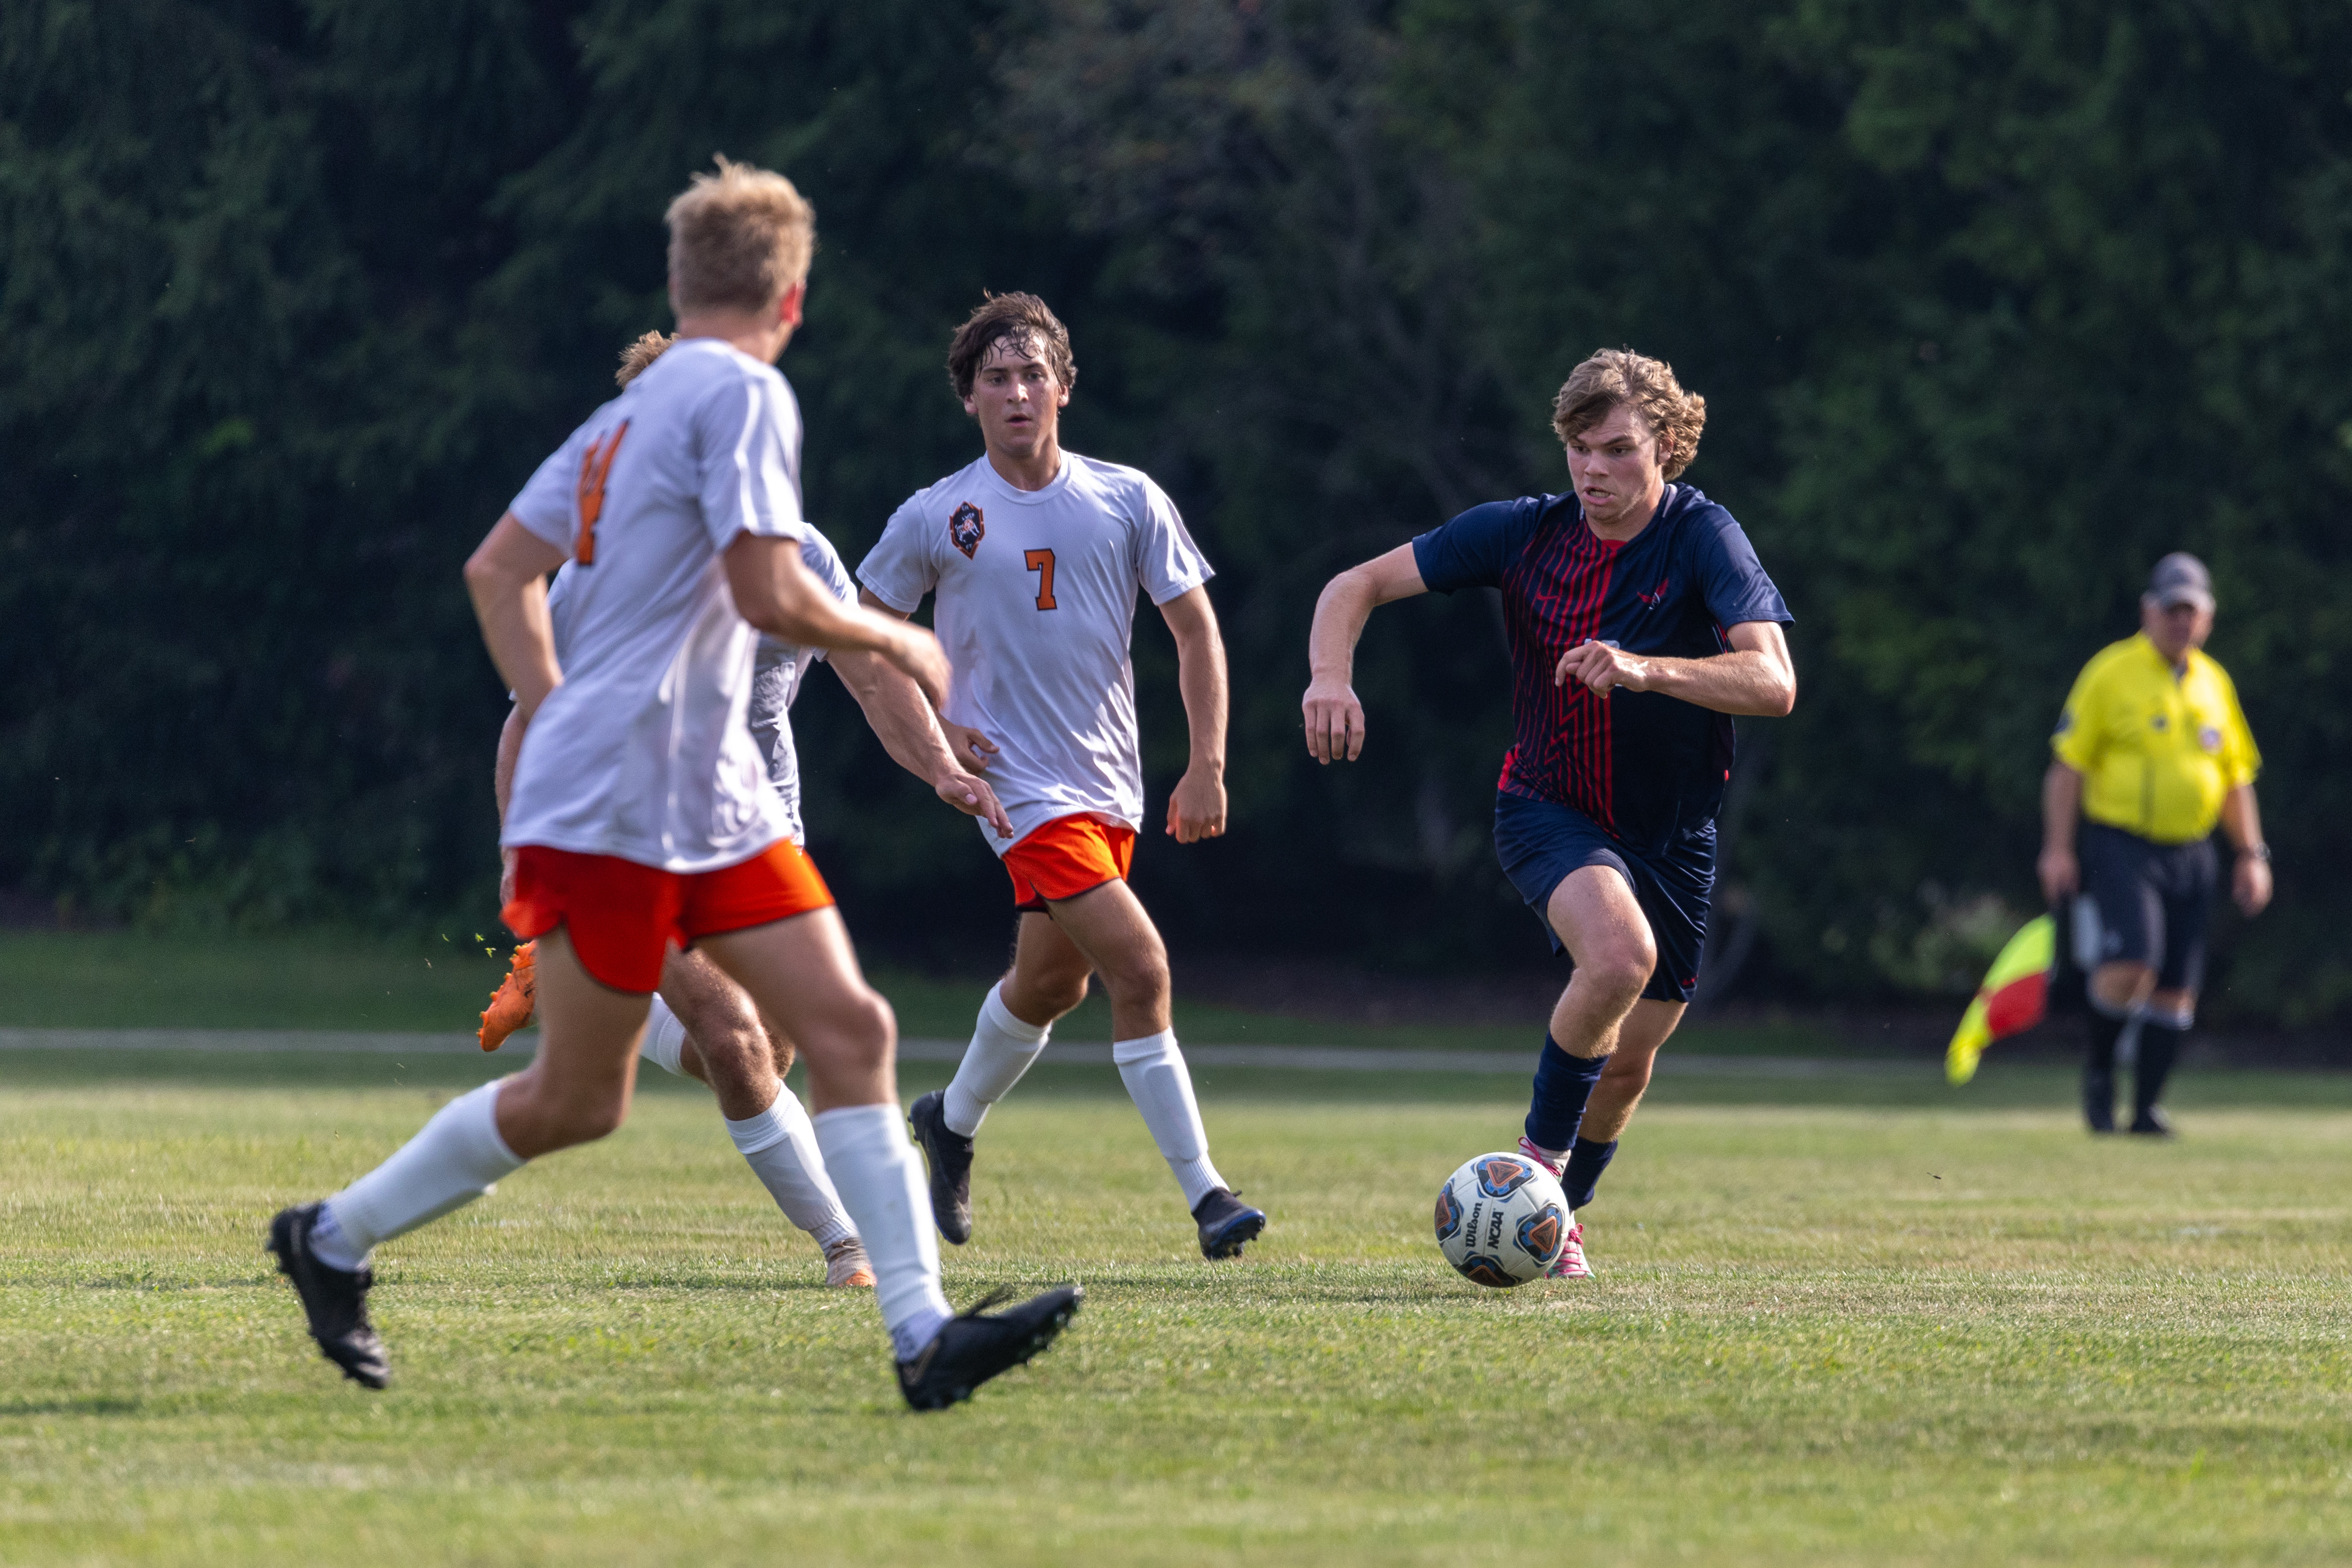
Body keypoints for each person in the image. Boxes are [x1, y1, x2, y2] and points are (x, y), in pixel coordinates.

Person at [264, 159, 1079, 1408]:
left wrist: (558, 718)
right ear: (789, 298)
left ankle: (920, 1335)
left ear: (683, 282)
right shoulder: (744, 393)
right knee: (616, 1086)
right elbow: (765, 590)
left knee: (808, 1039)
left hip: (700, 802)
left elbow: (495, 573)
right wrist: (898, 639)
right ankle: (333, 1236)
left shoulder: (617, 425)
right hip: (629, 806)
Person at [476, 333, 1018, 1294]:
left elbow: (872, 678)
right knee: (731, 1039)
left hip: (759, 832)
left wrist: (940, 767)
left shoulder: (795, 551)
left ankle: (585, 996)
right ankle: (852, 1247)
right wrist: (528, 863)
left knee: (762, 1049)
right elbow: (529, 722)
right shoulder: (596, 568)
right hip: (631, 833)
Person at [1302, 348, 1795, 1278]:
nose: (1592, 470)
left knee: (1631, 1063)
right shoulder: (1523, 532)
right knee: (1620, 958)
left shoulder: (1705, 536)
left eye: (1617, 449)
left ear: (1666, 445)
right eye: (1579, 448)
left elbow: (1774, 682)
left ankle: (1560, 1216)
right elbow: (1351, 587)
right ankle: (1532, 1177)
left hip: (1675, 834)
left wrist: (1644, 668)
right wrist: (1330, 677)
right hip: (1548, 804)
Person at [861, 292, 1266, 1260]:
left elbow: (1195, 631)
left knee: (1049, 986)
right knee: (1142, 966)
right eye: (995, 378)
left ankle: (950, 1121)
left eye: (1032, 374)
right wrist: (935, 734)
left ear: (1065, 388)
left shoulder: (1127, 499)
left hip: (1109, 784)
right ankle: (1207, 1194)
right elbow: (865, 636)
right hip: (1019, 788)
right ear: (969, 398)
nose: (1016, 393)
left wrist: (1207, 762)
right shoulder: (938, 514)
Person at [2036, 552, 2269, 1135]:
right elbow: (2068, 768)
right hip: (2124, 844)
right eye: (2172, 609)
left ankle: (2145, 1110)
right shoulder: (2110, 672)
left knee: (2176, 990)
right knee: (2132, 963)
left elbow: (2235, 777)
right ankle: (2099, 1071)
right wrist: (2058, 848)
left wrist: (2251, 854)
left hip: (2192, 850)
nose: (2181, 621)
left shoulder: (2214, 682)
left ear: (2207, 618)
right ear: (2149, 611)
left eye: (2192, 611)